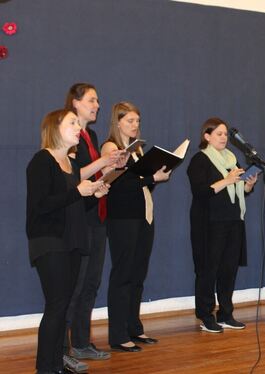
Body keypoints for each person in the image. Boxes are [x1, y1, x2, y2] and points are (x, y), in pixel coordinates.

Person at [26, 109, 109, 374]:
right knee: (56, 305)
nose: (78, 127)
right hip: (49, 241)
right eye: (72, 123)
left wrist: (93, 195)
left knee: (63, 307)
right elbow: (41, 206)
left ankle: (55, 364)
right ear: (55, 128)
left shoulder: (72, 165)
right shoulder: (42, 161)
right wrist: (77, 191)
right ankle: (44, 368)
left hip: (72, 242)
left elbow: (73, 204)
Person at [62, 83, 125, 371]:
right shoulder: (69, 135)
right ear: (75, 103)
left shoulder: (93, 135)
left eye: (98, 100)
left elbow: (96, 177)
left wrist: (114, 168)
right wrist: (103, 160)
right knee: (73, 286)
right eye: (91, 100)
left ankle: (83, 342)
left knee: (91, 283)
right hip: (79, 219)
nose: (97, 105)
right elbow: (74, 176)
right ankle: (62, 348)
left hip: (97, 216)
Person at [101, 102, 171, 352]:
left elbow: (141, 185)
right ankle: (118, 335)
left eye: (137, 121)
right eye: (130, 120)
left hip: (143, 216)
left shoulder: (138, 150)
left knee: (137, 275)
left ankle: (134, 328)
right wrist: (152, 178)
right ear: (117, 121)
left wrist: (157, 175)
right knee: (122, 275)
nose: (135, 125)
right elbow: (117, 185)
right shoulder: (111, 147)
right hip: (123, 219)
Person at [187, 118, 257, 333]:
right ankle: (206, 315)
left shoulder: (231, 158)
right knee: (208, 270)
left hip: (233, 221)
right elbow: (200, 192)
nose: (224, 138)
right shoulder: (200, 160)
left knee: (228, 270)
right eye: (219, 134)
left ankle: (226, 313)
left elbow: (237, 191)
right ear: (207, 136)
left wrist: (247, 185)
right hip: (209, 223)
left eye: (226, 134)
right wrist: (227, 180)